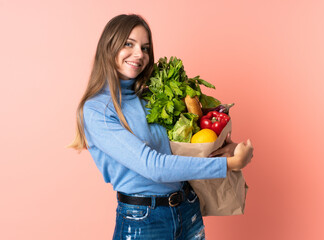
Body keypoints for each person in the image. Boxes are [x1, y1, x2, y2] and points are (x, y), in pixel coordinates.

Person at [69, 14, 254, 240]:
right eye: (129, 44)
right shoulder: (97, 110)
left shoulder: (155, 97)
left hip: (188, 210)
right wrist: (228, 164)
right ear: (109, 46)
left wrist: (227, 148)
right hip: (144, 221)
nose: (139, 54)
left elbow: (190, 145)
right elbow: (153, 166)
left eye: (145, 48)